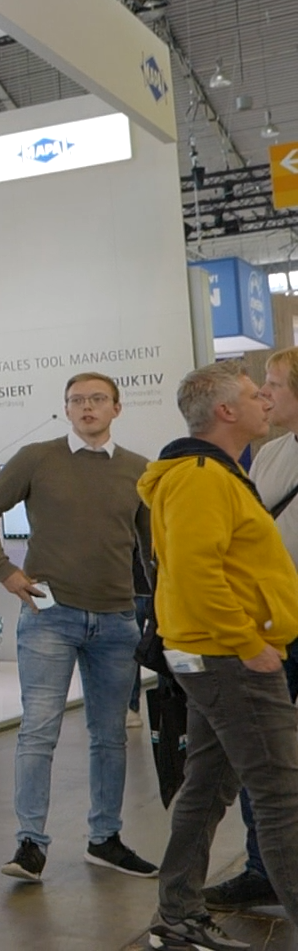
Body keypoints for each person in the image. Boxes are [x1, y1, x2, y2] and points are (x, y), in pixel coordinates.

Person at [0, 372, 156, 884]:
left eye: (97, 399)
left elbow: (151, 549)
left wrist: (162, 604)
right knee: (39, 729)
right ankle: (30, 843)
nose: (87, 407)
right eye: (77, 400)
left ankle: (105, 838)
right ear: (66, 409)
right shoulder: (38, 458)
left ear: (117, 407)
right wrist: (3, 570)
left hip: (117, 618)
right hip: (50, 615)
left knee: (110, 736)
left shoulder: (139, 470)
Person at [136, 362, 298, 951]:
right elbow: (196, 574)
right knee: (281, 795)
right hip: (230, 658)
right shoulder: (202, 477)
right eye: (255, 394)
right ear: (226, 411)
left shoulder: (215, 473)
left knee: (207, 787)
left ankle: (177, 913)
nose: (265, 401)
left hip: (218, 655)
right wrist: (250, 644)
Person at [204, 351, 298, 910]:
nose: (264, 394)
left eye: (274, 383)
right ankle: (264, 869)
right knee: (262, 754)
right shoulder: (269, 456)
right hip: (275, 627)